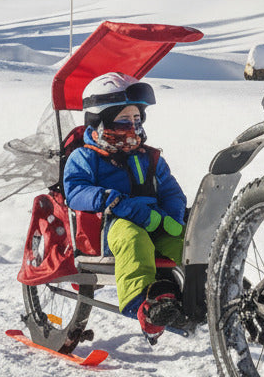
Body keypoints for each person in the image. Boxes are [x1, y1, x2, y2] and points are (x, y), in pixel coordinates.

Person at [62, 72, 191, 336]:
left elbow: (172, 193)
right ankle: (142, 305)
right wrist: (110, 199)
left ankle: (218, 291)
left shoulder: (149, 157)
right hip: (113, 226)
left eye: (136, 119)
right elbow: (75, 190)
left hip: (157, 222)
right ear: (101, 121)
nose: (132, 126)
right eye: (123, 119)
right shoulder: (85, 157)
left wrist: (174, 218)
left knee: (191, 245)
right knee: (135, 240)